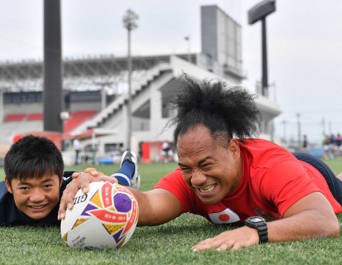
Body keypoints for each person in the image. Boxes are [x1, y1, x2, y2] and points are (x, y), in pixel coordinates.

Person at [59, 75, 342, 251]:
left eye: (206, 165)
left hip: (312, 174)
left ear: (233, 149)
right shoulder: (191, 179)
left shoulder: (268, 167)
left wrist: (256, 231)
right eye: (186, 167)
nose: (196, 178)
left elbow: (324, 221)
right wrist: (106, 188)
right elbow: (147, 204)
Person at [0, 135, 139, 226]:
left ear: (60, 180)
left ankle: (129, 164)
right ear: (9, 185)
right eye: (25, 188)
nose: (37, 197)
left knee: (117, 184)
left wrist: (92, 180)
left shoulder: (76, 192)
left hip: (81, 180)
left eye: (46, 186)